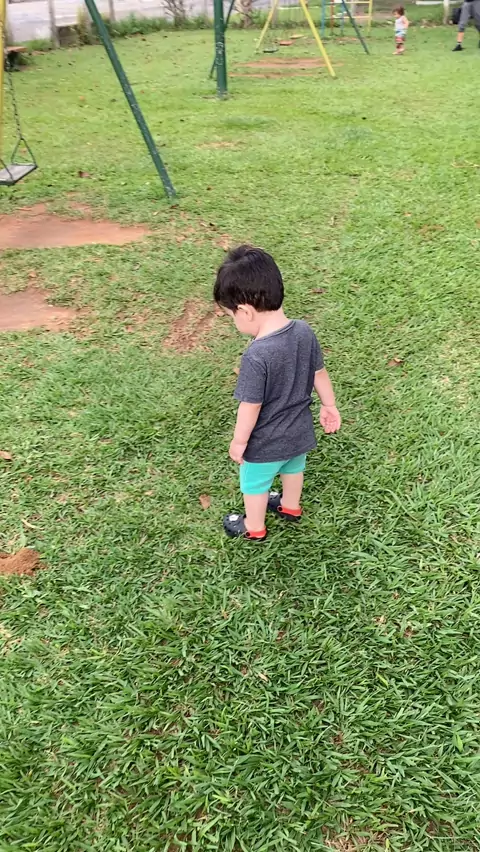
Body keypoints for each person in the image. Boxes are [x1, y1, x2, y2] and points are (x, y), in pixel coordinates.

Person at [213, 245, 341, 542]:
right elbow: (318, 372)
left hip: (266, 442)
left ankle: (254, 526)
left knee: (254, 483)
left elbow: (251, 405)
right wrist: (329, 405)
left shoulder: (256, 355)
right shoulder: (304, 330)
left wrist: (239, 442)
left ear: (245, 311)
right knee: (294, 469)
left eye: (231, 315)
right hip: (299, 432)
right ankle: (290, 506)